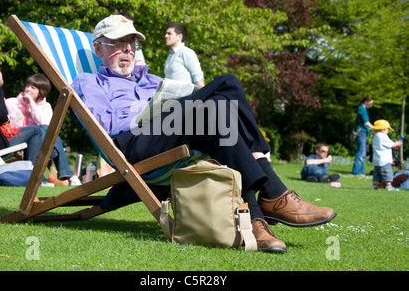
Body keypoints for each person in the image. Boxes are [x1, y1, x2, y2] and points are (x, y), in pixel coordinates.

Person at [71, 14, 337, 253]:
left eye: (132, 44)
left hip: (167, 134)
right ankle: (274, 192)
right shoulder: (89, 82)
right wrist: (146, 110)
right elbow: (106, 126)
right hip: (132, 144)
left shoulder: (150, 79)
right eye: (118, 44)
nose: (127, 50)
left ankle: (255, 218)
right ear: (98, 48)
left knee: (219, 107)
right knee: (228, 82)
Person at [5, 73, 81, 186]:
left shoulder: (46, 107)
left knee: (47, 131)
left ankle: (38, 179)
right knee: (48, 135)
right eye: (27, 86)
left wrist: (32, 105)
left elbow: (45, 126)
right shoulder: (12, 103)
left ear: (41, 92)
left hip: (37, 144)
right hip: (17, 139)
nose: (28, 89)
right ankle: (68, 175)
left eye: (33, 87)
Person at [164, 22, 204, 86]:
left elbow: (198, 78)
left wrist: (204, 95)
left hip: (185, 96)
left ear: (179, 36)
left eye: (169, 34)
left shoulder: (186, 53)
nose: (166, 36)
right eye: (166, 33)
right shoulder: (171, 55)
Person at [371, 120, 402, 191]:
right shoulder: (382, 136)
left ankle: (374, 185)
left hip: (377, 160)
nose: (388, 130)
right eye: (388, 129)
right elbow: (391, 144)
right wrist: (398, 143)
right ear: (383, 129)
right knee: (387, 173)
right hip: (384, 160)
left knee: (376, 174)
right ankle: (388, 186)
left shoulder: (375, 136)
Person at [352, 96, 374, 175]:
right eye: (370, 103)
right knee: (361, 152)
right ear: (366, 101)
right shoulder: (362, 109)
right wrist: (374, 128)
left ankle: (361, 172)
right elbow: (366, 122)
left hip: (363, 132)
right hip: (361, 132)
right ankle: (356, 172)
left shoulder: (362, 109)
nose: (371, 105)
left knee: (363, 153)